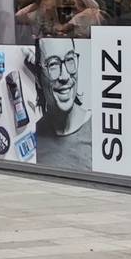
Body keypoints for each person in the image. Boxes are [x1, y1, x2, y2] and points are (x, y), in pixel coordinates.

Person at [34, 36, 92, 170]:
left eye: (70, 59)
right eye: (53, 64)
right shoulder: (31, 138)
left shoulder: (102, 131)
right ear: (38, 79)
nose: (64, 76)